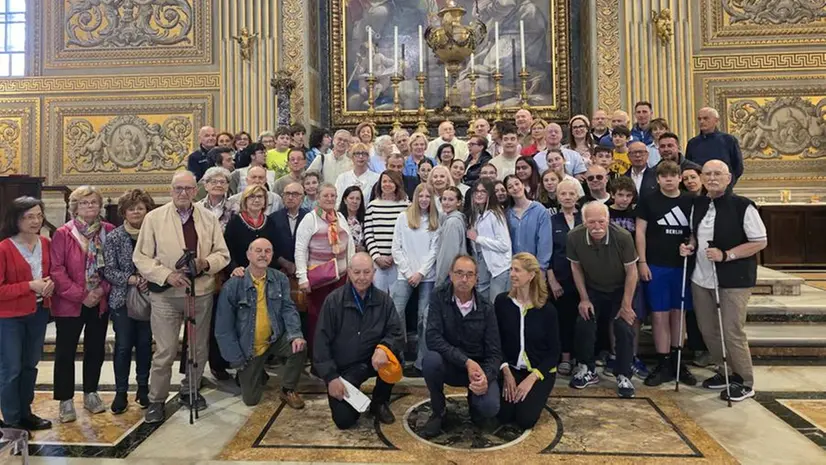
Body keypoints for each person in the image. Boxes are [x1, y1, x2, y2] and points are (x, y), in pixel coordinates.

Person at [133, 171, 230, 423]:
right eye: (178, 188)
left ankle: (191, 389)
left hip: (200, 292)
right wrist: (166, 275)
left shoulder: (208, 218)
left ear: (196, 190)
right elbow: (141, 257)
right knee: (165, 349)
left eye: (188, 188)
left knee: (198, 347)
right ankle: (156, 400)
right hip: (166, 294)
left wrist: (205, 262)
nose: (183, 193)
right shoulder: (154, 218)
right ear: (171, 190)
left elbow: (222, 254)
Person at [680, 160, 766, 402]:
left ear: (729, 178)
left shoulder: (742, 206)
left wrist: (727, 255)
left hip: (733, 278)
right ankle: (725, 370)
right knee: (708, 329)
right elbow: (696, 235)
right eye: (707, 174)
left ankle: (744, 379)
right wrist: (690, 245)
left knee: (732, 330)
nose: (712, 178)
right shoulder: (698, 204)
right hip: (702, 277)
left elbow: (760, 241)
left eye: (718, 174)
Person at [314, 252, 403, 429]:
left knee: (395, 357)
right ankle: (353, 396)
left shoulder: (384, 301)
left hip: (373, 361)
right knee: (344, 420)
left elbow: (396, 332)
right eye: (357, 272)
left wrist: (384, 348)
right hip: (343, 368)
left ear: (373, 273)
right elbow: (320, 342)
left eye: (366, 272)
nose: (362, 277)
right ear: (349, 272)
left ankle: (380, 401)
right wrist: (331, 378)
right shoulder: (333, 301)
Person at [215, 238, 307, 408]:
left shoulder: (280, 279)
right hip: (249, 347)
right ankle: (254, 372)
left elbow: (289, 309)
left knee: (299, 346)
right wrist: (237, 360)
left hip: (274, 338)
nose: (263, 255)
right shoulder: (233, 285)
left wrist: (296, 335)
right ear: (248, 255)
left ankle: (287, 390)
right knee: (251, 400)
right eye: (258, 251)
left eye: (267, 251)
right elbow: (223, 329)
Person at [51, 186, 115, 423]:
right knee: (65, 352)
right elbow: (56, 270)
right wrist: (81, 295)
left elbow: (115, 266)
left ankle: (91, 393)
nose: (89, 206)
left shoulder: (109, 231)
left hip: (99, 300)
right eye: (84, 203)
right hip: (70, 302)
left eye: (94, 202)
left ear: (100, 206)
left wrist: (101, 290)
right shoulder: (63, 233)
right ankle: (65, 400)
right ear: (74, 207)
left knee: (95, 349)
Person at [421, 255, 502, 439]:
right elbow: (432, 338)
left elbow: (495, 352)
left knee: (490, 408)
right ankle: (439, 411)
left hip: (477, 371)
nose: (464, 279)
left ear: (476, 278)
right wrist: (466, 361)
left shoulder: (486, 308)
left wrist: (485, 378)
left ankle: (475, 402)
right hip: (449, 364)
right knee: (431, 361)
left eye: (469, 274)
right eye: (459, 273)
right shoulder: (439, 297)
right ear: (451, 275)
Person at [567, 202, 639, 398]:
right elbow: (576, 268)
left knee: (624, 326)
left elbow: (632, 271)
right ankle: (586, 368)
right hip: (594, 288)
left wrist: (626, 305)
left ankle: (624, 374)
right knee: (584, 321)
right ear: (584, 222)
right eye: (591, 222)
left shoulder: (623, 237)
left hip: (620, 288)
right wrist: (584, 298)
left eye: (601, 221)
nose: (597, 227)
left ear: (608, 220)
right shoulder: (574, 237)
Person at [636, 161, 697, 387]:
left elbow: (695, 231)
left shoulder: (690, 200)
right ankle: (663, 362)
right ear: (658, 179)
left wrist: (690, 245)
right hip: (656, 265)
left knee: (678, 314)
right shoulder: (648, 200)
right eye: (665, 176)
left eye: (674, 175)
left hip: (681, 266)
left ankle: (678, 360)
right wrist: (642, 262)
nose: (669, 179)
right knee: (660, 315)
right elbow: (640, 232)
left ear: (680, 178)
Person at [0, 197, 53, 432]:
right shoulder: (4, 248)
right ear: (16, 219)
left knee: (30, 366)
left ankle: (26, 412)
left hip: (38, 313)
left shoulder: (46, 243)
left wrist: (51, 284)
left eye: (39, 215)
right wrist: (30, 286)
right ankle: (11, 419)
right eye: (29, 216)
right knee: (12, 368)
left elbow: (51, 274)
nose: (35, 221)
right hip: (9, 317)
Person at [102, 189, 156, 414]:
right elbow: (108, 270)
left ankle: (143, 388)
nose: (136, 211)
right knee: (123, 346)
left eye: (140, 208)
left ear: (147, 210)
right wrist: (132, 279)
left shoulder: (155, 233)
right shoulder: (114, 236)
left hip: (150, 297)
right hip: (122, 299)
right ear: (124, 212)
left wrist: (149, 279)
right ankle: (121, 392)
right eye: (131, 208)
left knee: (145, 345)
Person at [496, 253, 560, 430]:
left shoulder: (547, 310)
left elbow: (554, 353)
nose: (512, 274)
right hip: (511, 369)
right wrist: (506, 372)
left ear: (531, 275)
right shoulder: (502, 302)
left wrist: (531, 379)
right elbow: (496, 342)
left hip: (538, 372)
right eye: (511, 269)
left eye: (517, 270)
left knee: (525, 419)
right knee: (503, 415)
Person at [295, 184, 356, 349]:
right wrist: (302, 277)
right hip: (319, 278)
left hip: (341, 276)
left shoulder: (340, 217)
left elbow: (350, 245)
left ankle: (334, 354)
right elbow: (300, 249)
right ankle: (317, 358)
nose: (330, 199)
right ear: (319, 198)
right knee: (318, 318)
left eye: (333, 196)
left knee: (338, 317)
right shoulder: (310, 219)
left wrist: (352, 272)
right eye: (326, 196)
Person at [391, 184, 439, 373]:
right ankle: (398, 357)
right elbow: (396, 247)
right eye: (421, 196)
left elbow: (434, 250)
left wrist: (420, 273)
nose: (425, 199)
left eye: (428, 196)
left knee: (424, 317)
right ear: (415, 197)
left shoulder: (435, 220)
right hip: (405, 274)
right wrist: (409, 272)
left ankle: (421, 362)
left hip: (427, 275)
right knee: (396, 313)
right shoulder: (403, 218)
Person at [606, 176, 648, 379]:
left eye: (628, 195)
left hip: (631, 268)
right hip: (610, 269)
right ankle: (615, 354)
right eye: (620, 195)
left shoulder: (636, 213)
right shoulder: (605, 211)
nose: (623, 199)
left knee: (633, 314)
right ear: (613, 194)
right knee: (614, 315)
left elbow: (640, 238)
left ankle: (632, 355)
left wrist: (641, 264)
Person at [548, 180, 582, 376]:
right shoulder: (552, 221)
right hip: (560, 279)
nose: (567, 197)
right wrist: (551, 279)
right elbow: (547, 252)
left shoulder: (585, 218)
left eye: (571, 193)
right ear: (558, 197)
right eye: (563, 194)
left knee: (583, 320)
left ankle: (584, 358)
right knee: (564, 319)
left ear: (577, 196)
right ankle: (566, 357)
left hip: (585, 279)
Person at [466, 180, 512, 302]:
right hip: (482, 266)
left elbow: (504, 245)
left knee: (496, 304)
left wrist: (478, 238)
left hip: (499, 268)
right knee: (482, 304)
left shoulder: (495, 215)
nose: (479, 194)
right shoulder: (475, 215)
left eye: (483, 191)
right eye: (476, 191)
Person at [364, 171, 409, 292]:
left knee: (396, 301)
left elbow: (407, 235)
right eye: (384, 181)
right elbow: (368, 234)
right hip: (377, 262)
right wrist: (377, 257)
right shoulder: (372, 206)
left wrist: (394, 257)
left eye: (391, 181)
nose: (387, 184)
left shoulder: (406, 206)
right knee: (378, 299)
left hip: (398, 263)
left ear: (397, 184)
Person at [504, 175, 552, 275]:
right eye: (510, 187)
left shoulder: (540, 210)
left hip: (535, 267)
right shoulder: (507, 214)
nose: (515, 188)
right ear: (508, 192)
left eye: (517, 184)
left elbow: (545, 242)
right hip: (514, 267)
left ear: (523, 185)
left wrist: (541, 268)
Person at [225, 185, 279, 272]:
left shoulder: (271, 223)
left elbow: (275, 250)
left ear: (265, 201)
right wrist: (234, 268)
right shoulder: (234, 222)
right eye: (252, 196)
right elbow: (228, 249)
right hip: (240, 273)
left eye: (260, 197)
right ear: (245, 200)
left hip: (266, 272)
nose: (256, 200)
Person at [685, 108, 744, 182]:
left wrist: (729, 183)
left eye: (705, 118)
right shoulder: (692, 143)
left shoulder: (728, 140)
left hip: (723, 188)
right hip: (700, 188)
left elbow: (738, 167)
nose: (702, 121)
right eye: (699, 119)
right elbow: (689, 167)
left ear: (716, 121)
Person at [433, 187, 466, 285]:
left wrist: (440, 279)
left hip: (448, 277)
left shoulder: (452, 223)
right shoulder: (449, 219)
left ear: (459, 202)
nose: (446, 203)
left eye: (451, 200)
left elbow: (448, 255)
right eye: (444, 199)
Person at [198, 167, 233, 231]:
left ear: (227, 186)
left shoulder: (235, 208)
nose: (219, 185)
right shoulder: (197, 208)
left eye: (222, 182)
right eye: (214, 182)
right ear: (205, 186)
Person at [339, 185, 366, 252]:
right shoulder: (338, 218)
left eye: (358, 199)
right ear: (345, 200)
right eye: (351, 198)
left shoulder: (366, 218)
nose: (354, 201)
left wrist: (364, 248)